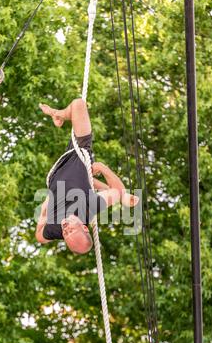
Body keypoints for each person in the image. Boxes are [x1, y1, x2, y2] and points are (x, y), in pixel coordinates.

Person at [35, 98, 138, 254]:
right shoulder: (87, 209)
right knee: (78, 105)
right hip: (80, 155)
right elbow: (118, 190)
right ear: (84, 226)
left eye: (65, 235)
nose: (66, 230)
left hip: (59, 170)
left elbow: (40, 237)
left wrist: (44, 209)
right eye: (71, 230)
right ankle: (59, 114)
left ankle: (59, 115)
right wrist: (104, 169)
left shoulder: (56, 229)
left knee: (95, 188)